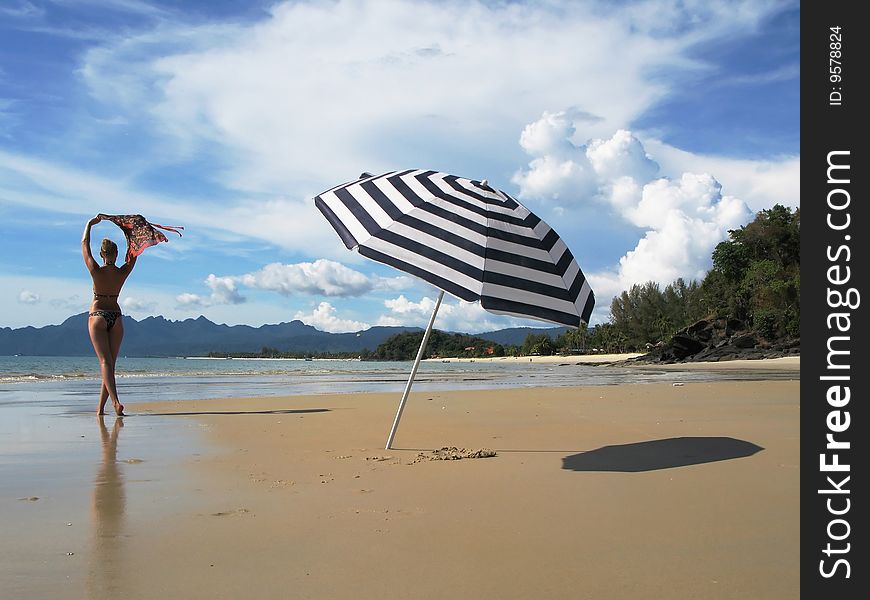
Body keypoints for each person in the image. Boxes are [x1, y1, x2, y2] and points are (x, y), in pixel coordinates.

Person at [82, 215, 136, 416]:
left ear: (102, 254)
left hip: (98, 315)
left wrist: (89, 225)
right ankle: (100, 408)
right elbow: (135, 252)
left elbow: (84, 245)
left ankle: (115, 402)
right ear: (117, 253)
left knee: (105, 363)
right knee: (110, 364)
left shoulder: (95, 270)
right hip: (116, 316)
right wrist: (129, 233)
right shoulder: (123, 272)